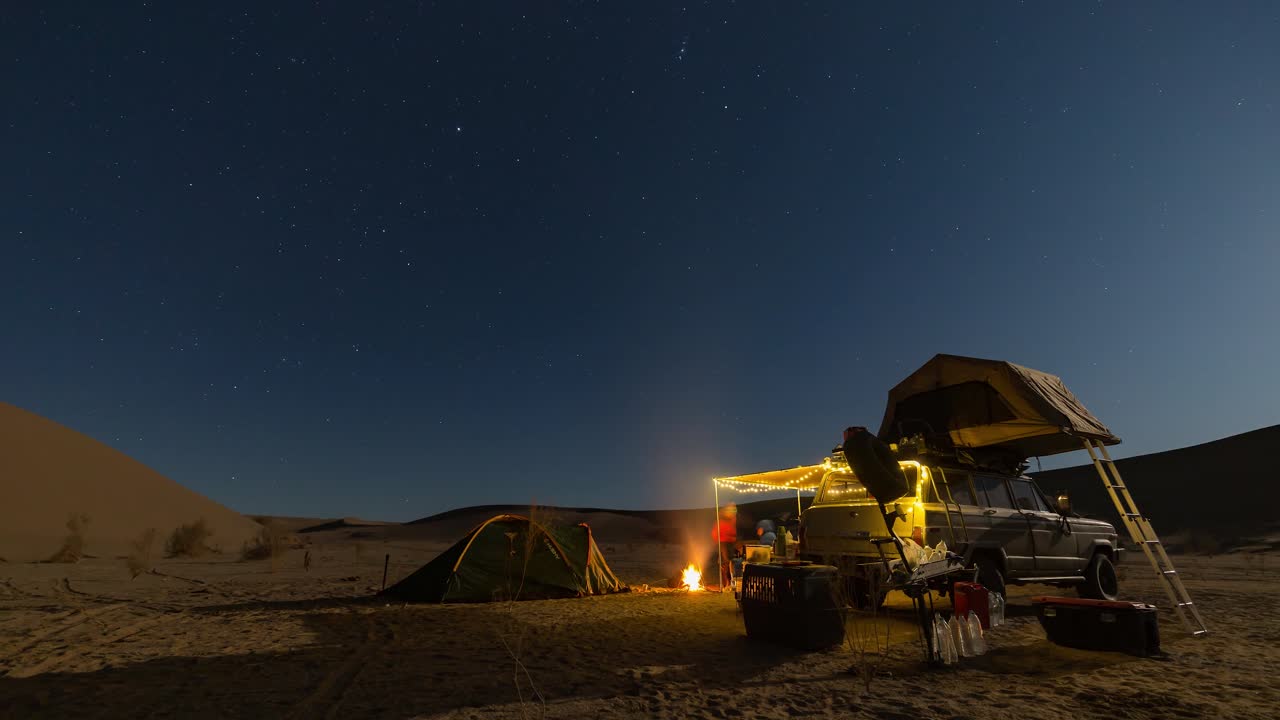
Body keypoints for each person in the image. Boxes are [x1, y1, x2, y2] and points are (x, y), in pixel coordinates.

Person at [713, 503, 737, 586]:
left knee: (730, 564)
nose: (733, 512)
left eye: (734, 510)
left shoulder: (732, 520)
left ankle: (730, 583)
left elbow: (733, 532)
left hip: (729, 544)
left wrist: (733, 539)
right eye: (731, 510)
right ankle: (726, 584)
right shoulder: (721, 521)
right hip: (723, 544)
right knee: (724, 564)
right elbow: (715, 534)